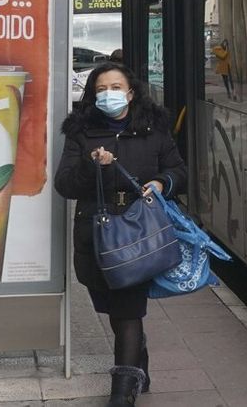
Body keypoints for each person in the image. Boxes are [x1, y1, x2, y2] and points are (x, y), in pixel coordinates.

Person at [54, 62, 187, 406]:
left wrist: (161, 182)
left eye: (115, 87)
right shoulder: (80, 131)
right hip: (96, 235)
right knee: (111, 308)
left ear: (130, 92)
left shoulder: (153, 129)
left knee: (128, 311)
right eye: (100, 89)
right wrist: (90, 165)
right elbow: (65, 185)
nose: (108, 94)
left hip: (138, 231)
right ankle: (137, 351)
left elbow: (178, 170)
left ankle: (122, 390)